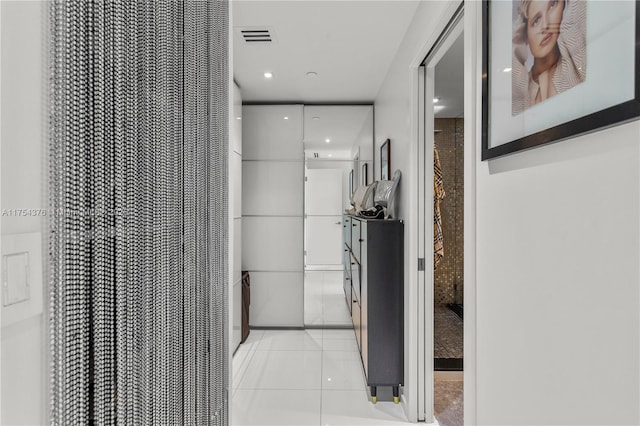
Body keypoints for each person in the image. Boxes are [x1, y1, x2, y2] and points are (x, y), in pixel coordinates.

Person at [512, 0, 586, 115]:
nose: (546, 25)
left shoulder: (575, 66)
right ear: (524, 34)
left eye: (552, 5)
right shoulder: (522, 93)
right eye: (536, 21)